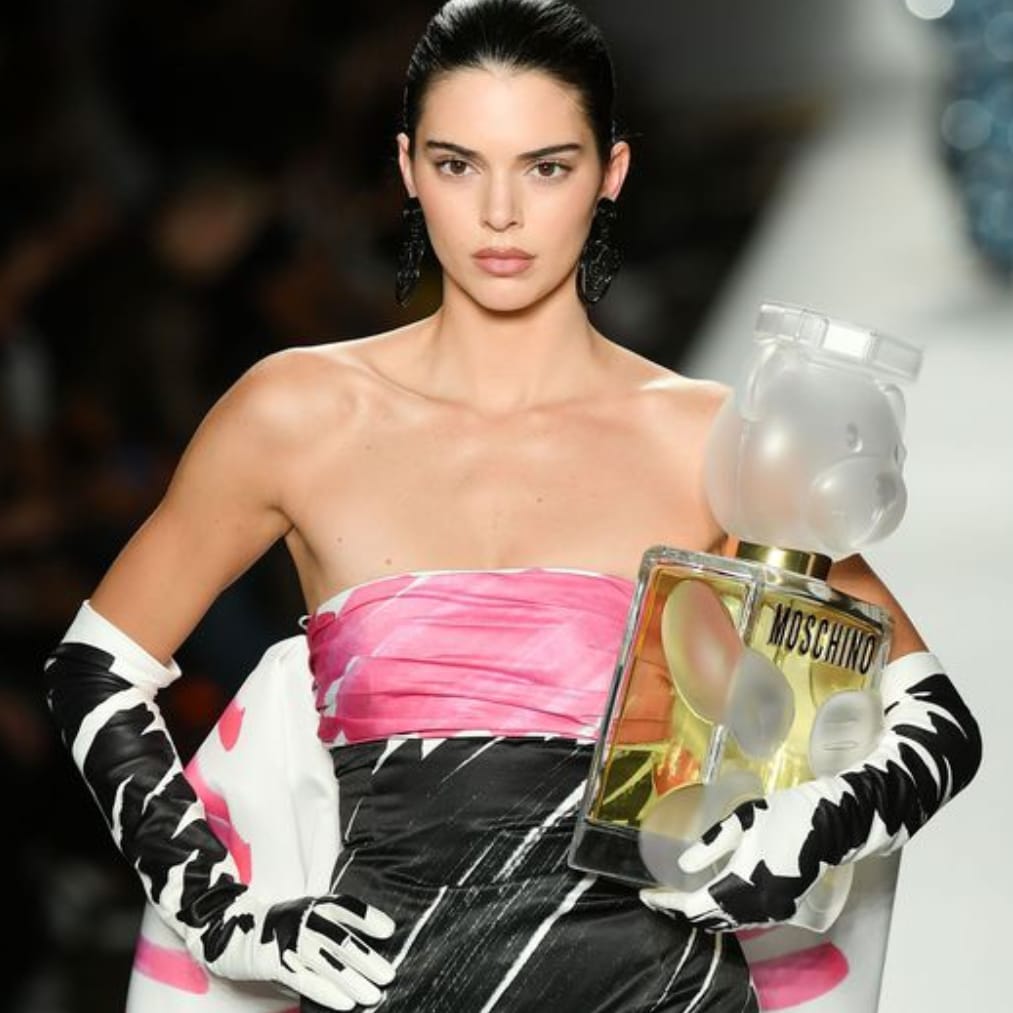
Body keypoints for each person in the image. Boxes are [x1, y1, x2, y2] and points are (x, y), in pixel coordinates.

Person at [42, 1, 981, 1011]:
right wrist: (224, 912)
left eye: (545, 167)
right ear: (407, 168)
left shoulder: (711, 437)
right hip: (391, 983)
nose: (499, 212)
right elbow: (94, 669)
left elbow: (934, 723)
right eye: (458, 164)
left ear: (610, 172)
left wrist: (813, 824)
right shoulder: (296, 415)